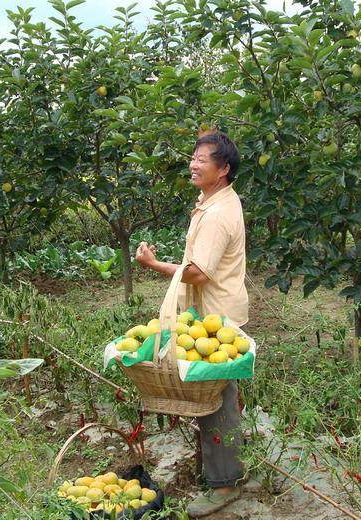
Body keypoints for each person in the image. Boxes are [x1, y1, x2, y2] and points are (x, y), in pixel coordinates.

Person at [135, 130, 247, 517]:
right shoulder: (213, 201)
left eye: (203, 159)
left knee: (216, 401)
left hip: (216, 320)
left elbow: (197, 273)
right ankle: (218, 469)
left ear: (224, 169)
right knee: (214, 395)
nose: (194, 164)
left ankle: (224, 483)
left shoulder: (217, 214)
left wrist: (152, 265)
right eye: (194, 156)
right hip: (209, 315)